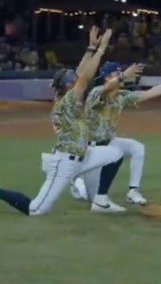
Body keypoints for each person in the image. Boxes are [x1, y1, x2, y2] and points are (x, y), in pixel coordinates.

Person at [0, 28, 125, 216]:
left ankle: (97, 197)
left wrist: (91, 47)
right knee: (36, 210)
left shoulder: (67, 95)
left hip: (85, 155)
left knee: (115, 153)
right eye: (72, 80)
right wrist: (101, 48)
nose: (76, 80)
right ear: (67, 84)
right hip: (65, 162)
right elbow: (85, 76)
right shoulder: (66, 101)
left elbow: (81, 73)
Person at [71, 62, 161, 212]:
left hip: (109, 143)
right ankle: (79, 182)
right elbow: (107, 89)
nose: (121, 77)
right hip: (93, 150)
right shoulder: (97, 92)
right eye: (117, 74)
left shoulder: (121, 96)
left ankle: (132, 191)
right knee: (88, 195)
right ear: (107, 77)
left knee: (136, 147)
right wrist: (124, 75)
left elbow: (147, 94)